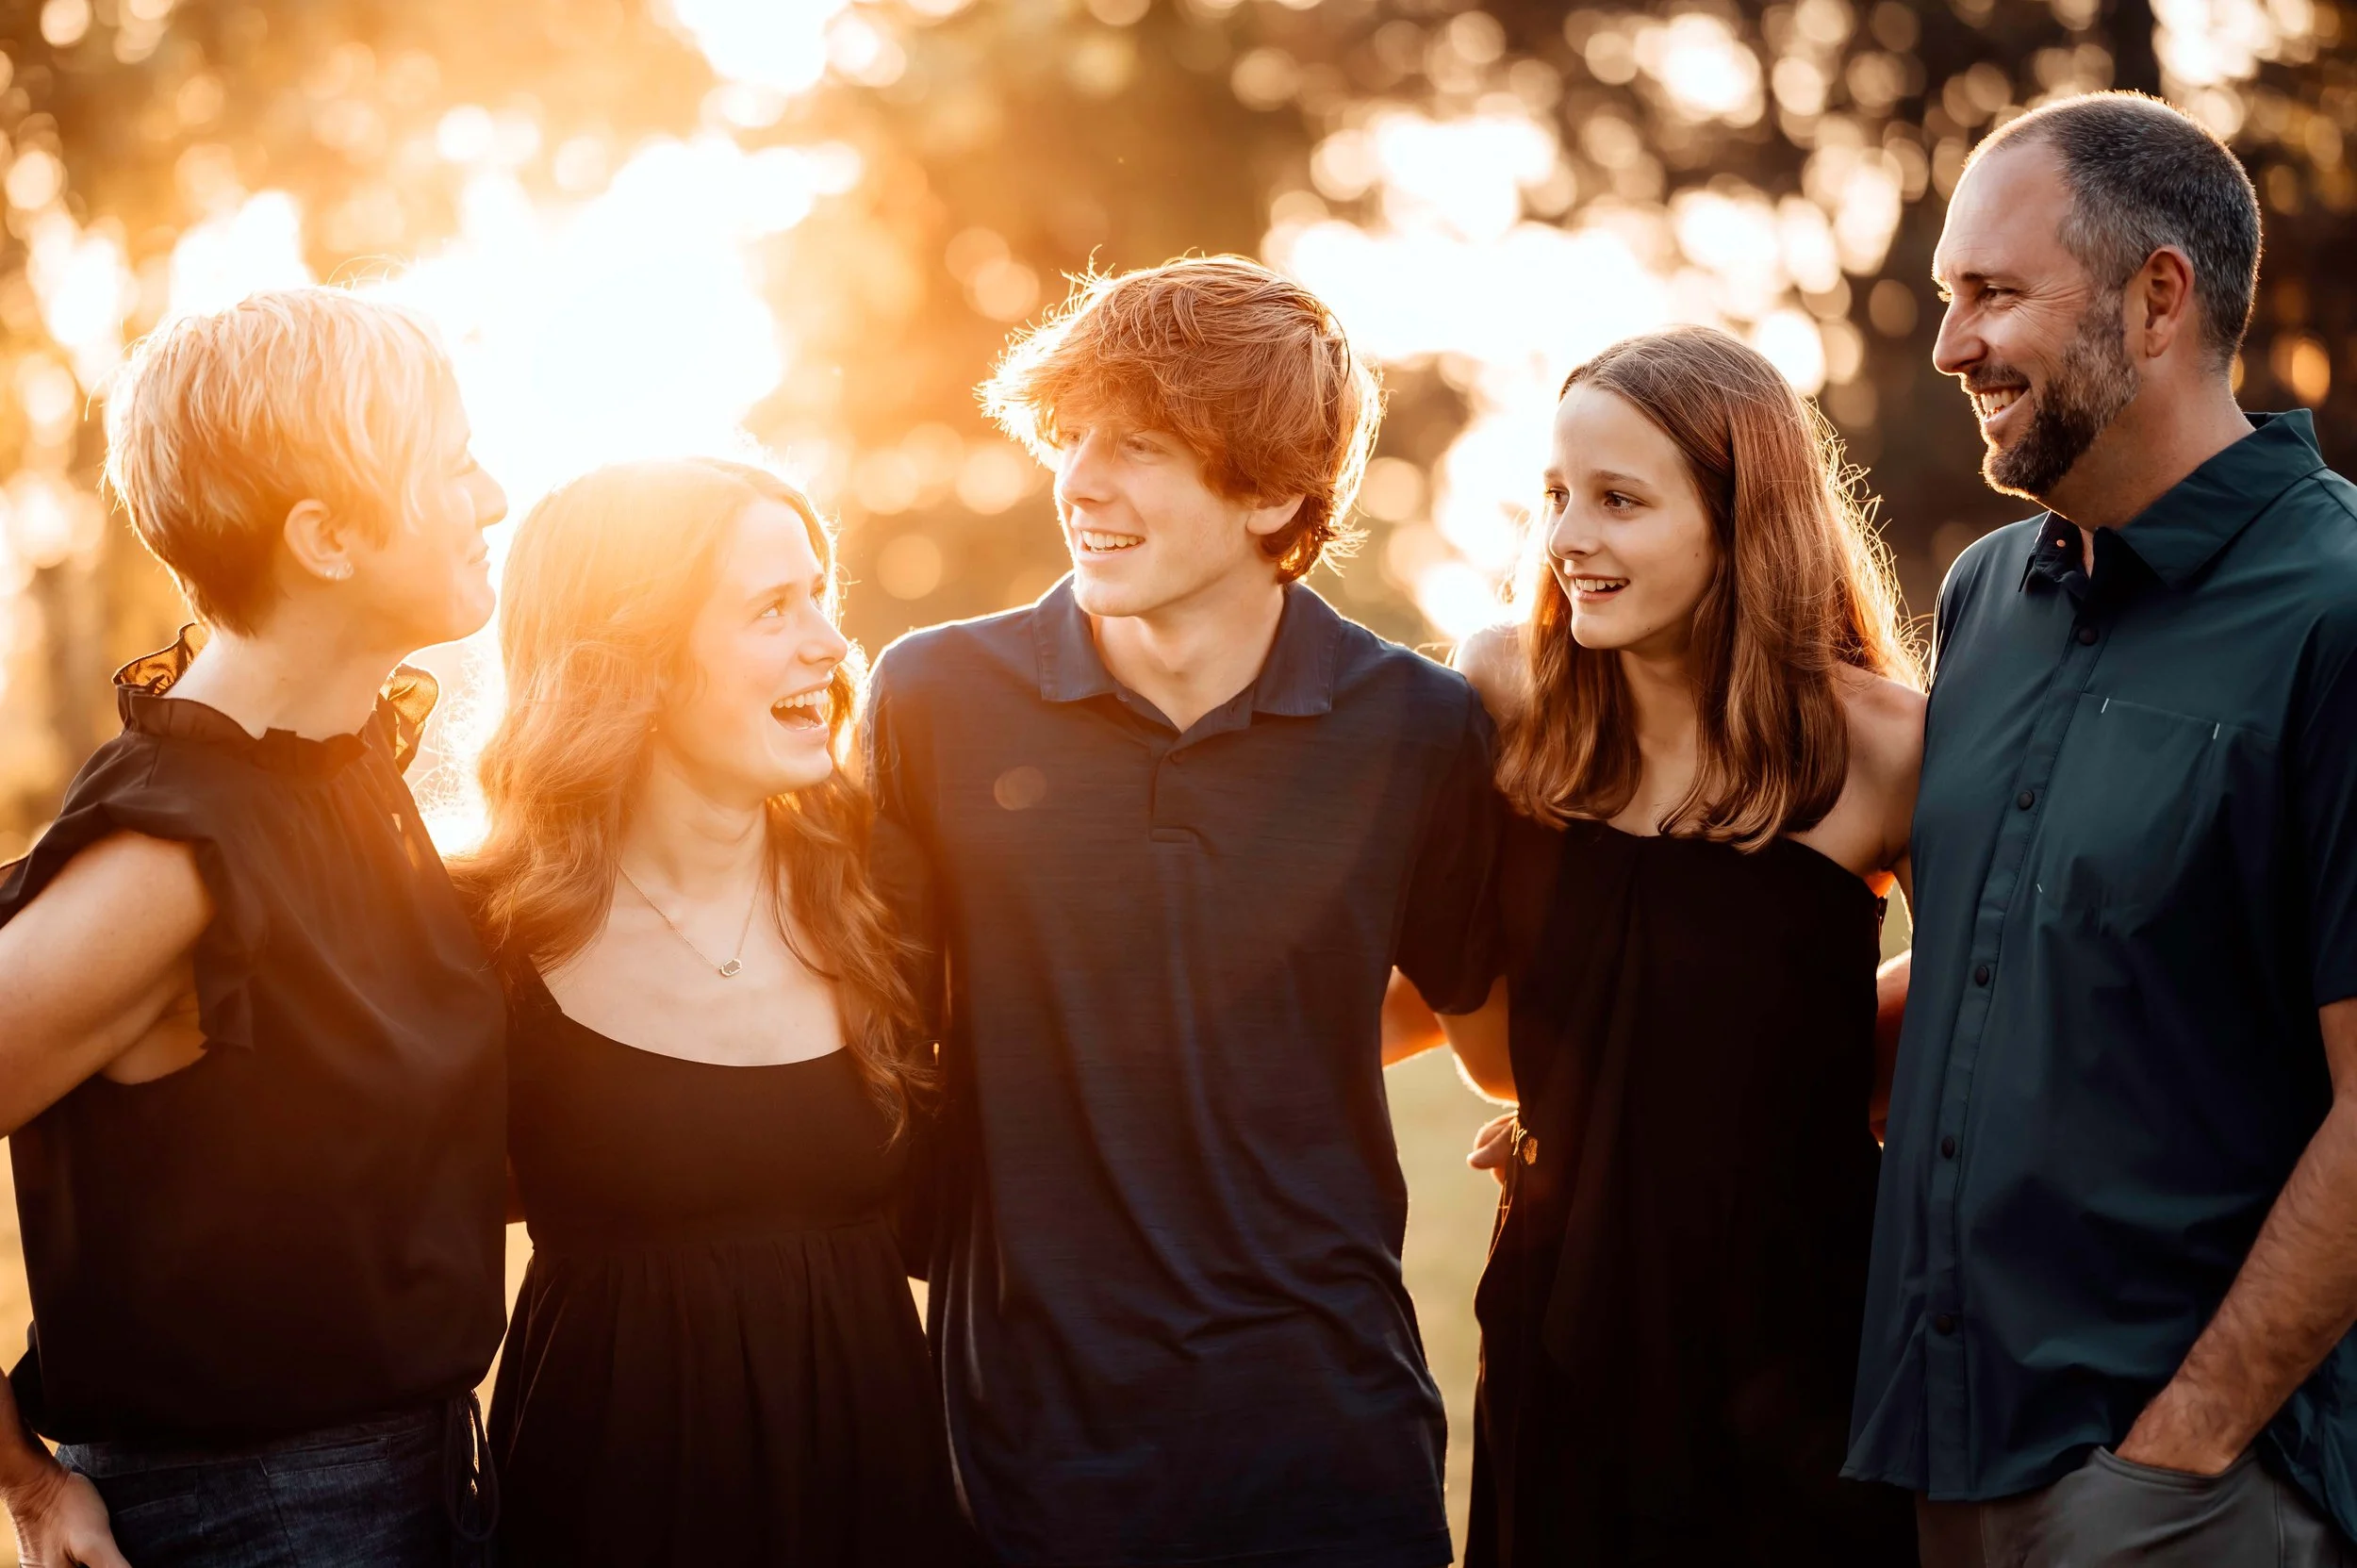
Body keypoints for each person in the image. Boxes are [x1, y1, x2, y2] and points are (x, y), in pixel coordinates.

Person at [862, 256, 1503, 1568]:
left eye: (1138, 445)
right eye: (1073, 435)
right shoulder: (935, 695)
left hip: (1327, 1442)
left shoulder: (1415, 727)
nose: (1079, 481)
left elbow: (1492, 1042)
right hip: (1019, 1449)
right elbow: (876, 1021)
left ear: (1272, 490)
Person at [1847, 91, 2357, 1565]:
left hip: (2188, 1494)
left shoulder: (2334, 613)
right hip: (1946, 1460)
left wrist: (2183, 1448)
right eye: (1950, 298)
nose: (1950, 348)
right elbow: (2009, 959)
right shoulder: (1987, 597)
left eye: (1992, 295)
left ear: (2157, 298)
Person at [0, 289, 510, 1567]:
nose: (493, 496)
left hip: (424, 1477)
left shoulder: (334, 771)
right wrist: (23, 1478)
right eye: (452, 467)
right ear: (327, 534)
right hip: (255, 1520)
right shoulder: (166, 860)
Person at [1396, 326, 1922, 1565]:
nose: (1570, 536)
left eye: (1620, 499)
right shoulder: (1503, 696)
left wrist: (1740, 1074)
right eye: (1558, 495)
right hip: (1559, 1304)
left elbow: (1988, 1004)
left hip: (1806, 1330)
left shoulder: (1895, 747)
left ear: (1744, 518)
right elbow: (1495, 1052)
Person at [452, 458, 967, 1567]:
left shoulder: (895, 888)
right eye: (771, 608)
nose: (829, 643)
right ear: (630, 659)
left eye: (820, 596)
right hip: (604, 1506)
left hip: (878, 1506)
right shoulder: (477, 933)